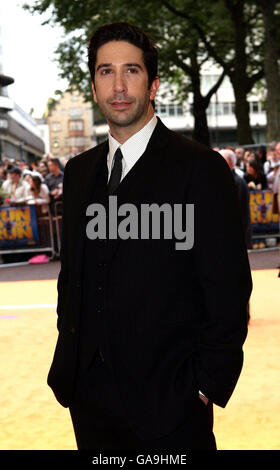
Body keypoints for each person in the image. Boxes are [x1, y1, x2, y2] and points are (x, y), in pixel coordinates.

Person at [47, 22, 252, 451]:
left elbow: (227, 287)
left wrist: (204, 385)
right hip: (89, 402)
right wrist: (72, 366)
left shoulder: (201, 169)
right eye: (106, 71)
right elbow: (74, 275)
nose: (118, 85)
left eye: (132, 71)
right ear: (94, 84)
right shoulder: (80, 172)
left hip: (171, 403)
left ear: (153, 83)